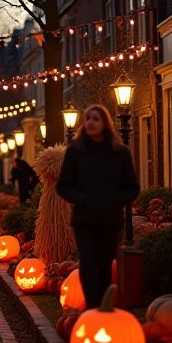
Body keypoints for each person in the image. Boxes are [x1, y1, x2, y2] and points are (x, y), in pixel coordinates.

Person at [55, 104, 139, 309]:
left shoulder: (120, 152)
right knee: (88, 263)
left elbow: (132, 187)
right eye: (87, 118)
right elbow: (63, 186)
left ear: (105, 123)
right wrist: (82, 199)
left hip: (110, 219)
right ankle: (92, 307)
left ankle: (104, 306)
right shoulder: (75, 151)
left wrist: (116, 200)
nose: (90, 122)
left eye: (95, 118)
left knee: (104, 264)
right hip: (84, 219)